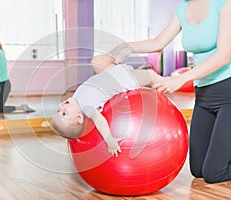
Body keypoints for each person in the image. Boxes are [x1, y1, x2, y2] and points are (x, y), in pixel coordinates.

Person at [92, 0, 231, 183]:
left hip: (228, 93)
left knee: (214, 174)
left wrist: (180, 79)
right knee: (198, 170)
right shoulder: (182, 9)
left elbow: (223, 56)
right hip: (204, 96)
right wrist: (122, 48)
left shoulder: (224, 4)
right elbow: (158, 42)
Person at [52, 57, 163, 157]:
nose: (61, 106)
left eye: (58, 110)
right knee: (152, 76)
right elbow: (99, 119)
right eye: (64, 114)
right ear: (79, 118)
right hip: (124, 80)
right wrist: (109, 140)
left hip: (114, 73)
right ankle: (165, 83)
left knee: (99, 61)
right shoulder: (86, 107)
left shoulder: (76, 98)